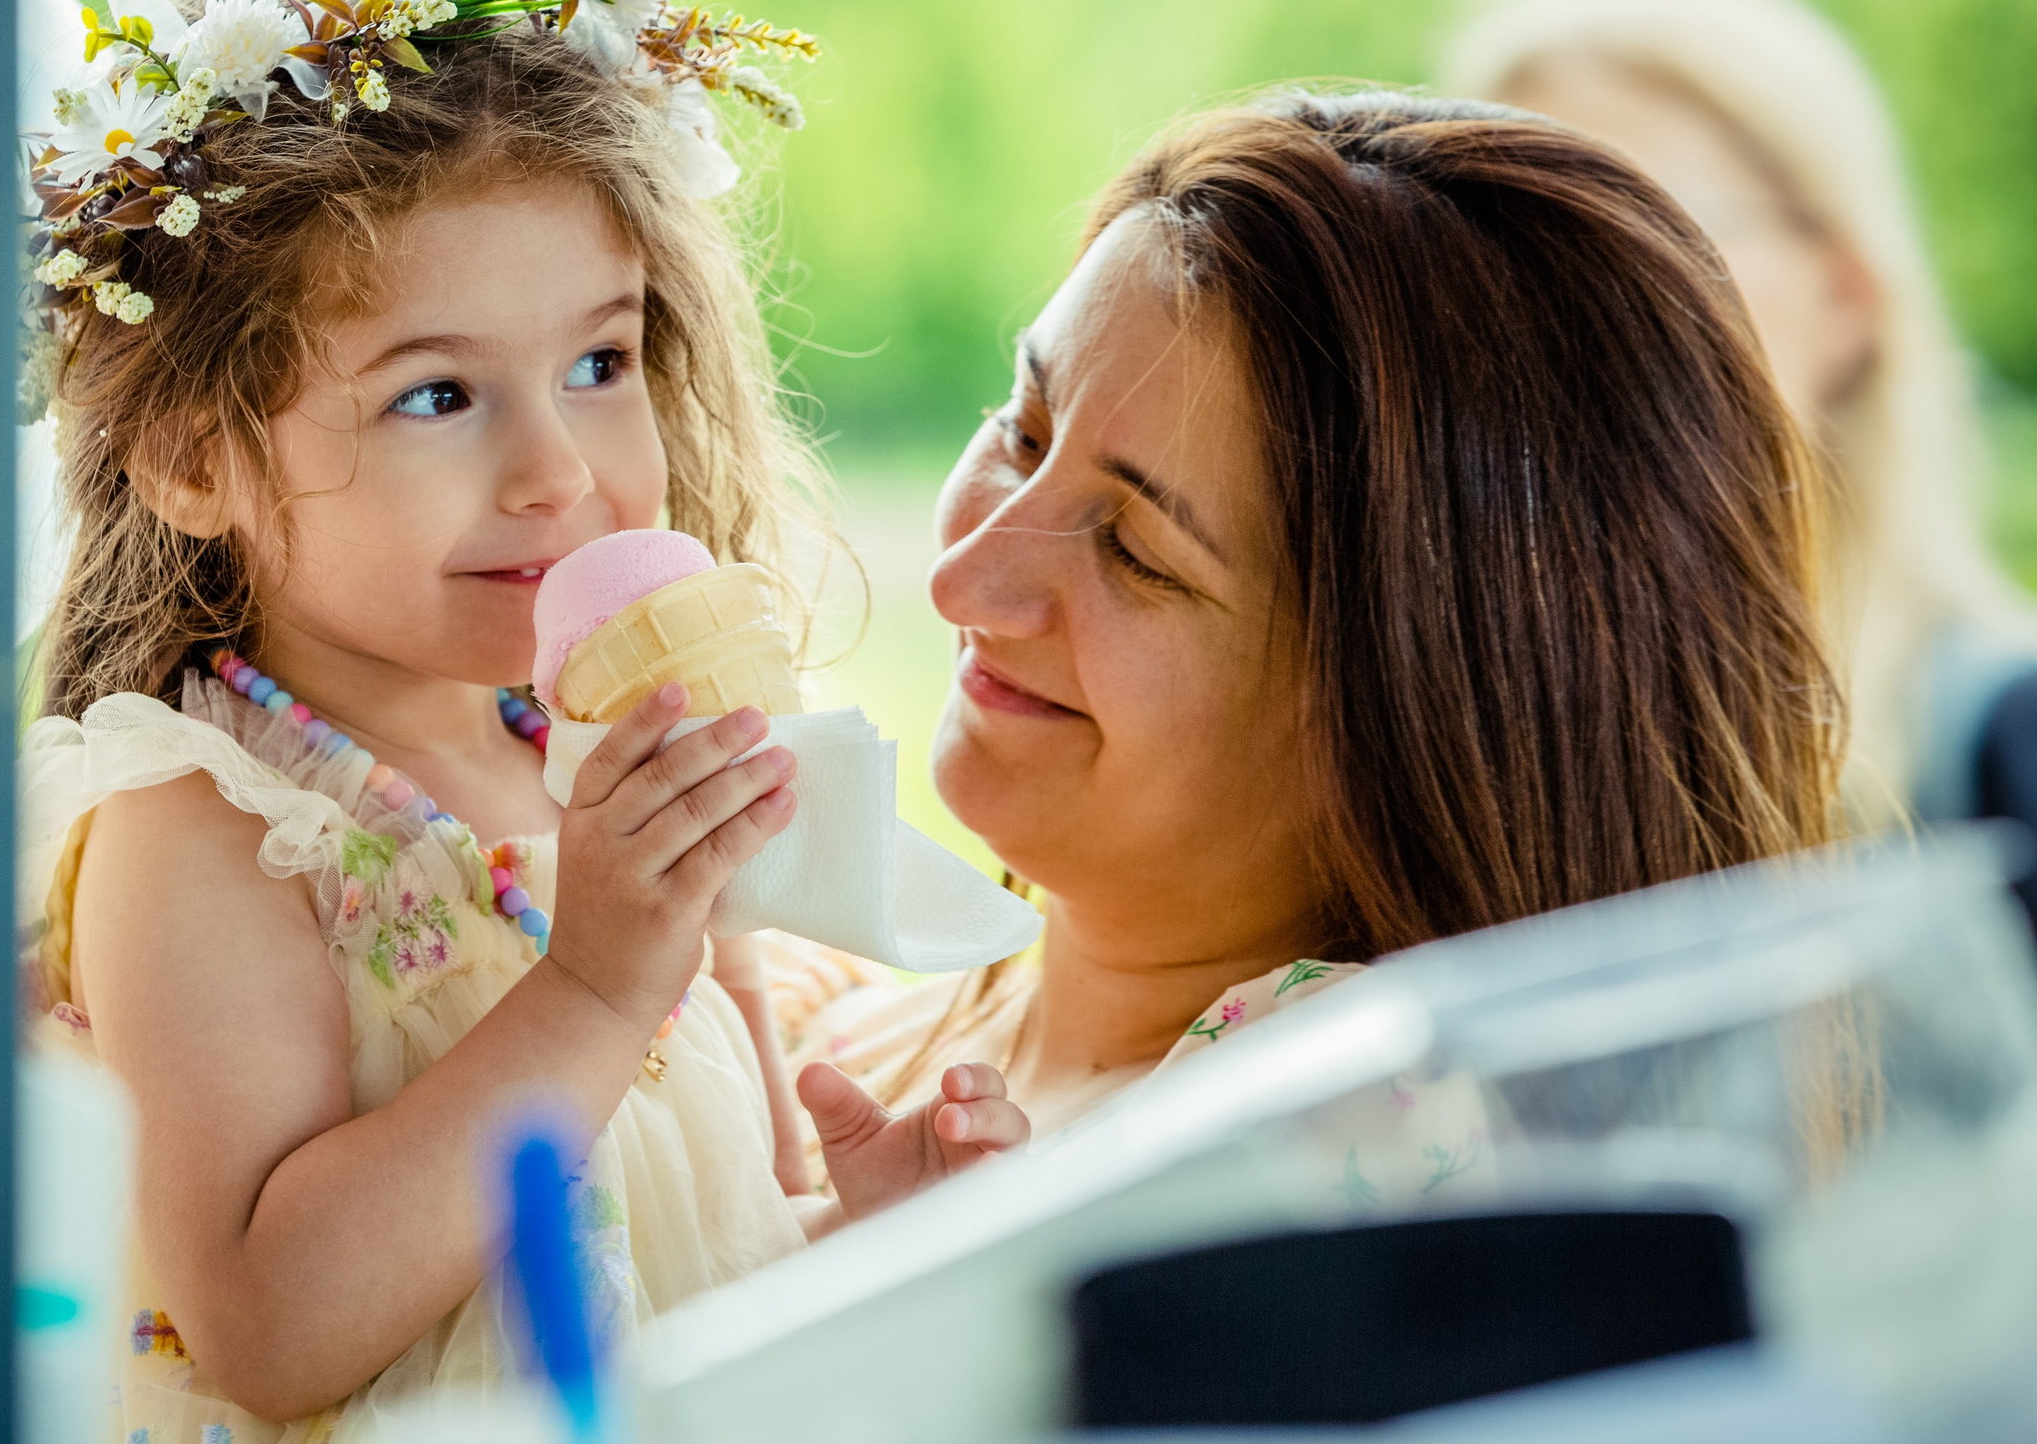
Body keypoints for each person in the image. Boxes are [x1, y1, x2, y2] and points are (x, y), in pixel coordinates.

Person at [0, 0, 1025, 1440]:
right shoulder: (209, 833)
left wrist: (857, 1232)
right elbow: (270, 1319)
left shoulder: (606, 771)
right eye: (438, 394)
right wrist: (595, 986)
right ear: (193, 455)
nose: (561, 468)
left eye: (601, 358)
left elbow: (668, 1270)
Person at [786, 91, 1845, 1179]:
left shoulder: (1332, 1126)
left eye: (1140, 552)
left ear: (1421, 714)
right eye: (1022, 430)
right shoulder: (837, 1021)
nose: (964, 577)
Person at [1442, 0, 2037, 831]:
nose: (1537, 314)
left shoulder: (2001, 739)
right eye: (1487, 249)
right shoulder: (1468, 758)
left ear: (1844, 298)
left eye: (1639, 236)